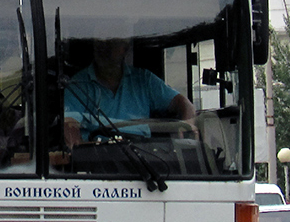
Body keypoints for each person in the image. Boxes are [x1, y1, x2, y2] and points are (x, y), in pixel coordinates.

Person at [63, 37, 195, 148]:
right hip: (99, 162)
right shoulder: (77, 85)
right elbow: (69, 129)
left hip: (145, 161)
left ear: (125, 48)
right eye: (99, 42)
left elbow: (184, 103)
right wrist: (81, 153)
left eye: (111, 42)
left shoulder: (144, 80)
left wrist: (188, 124)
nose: (104, 47)